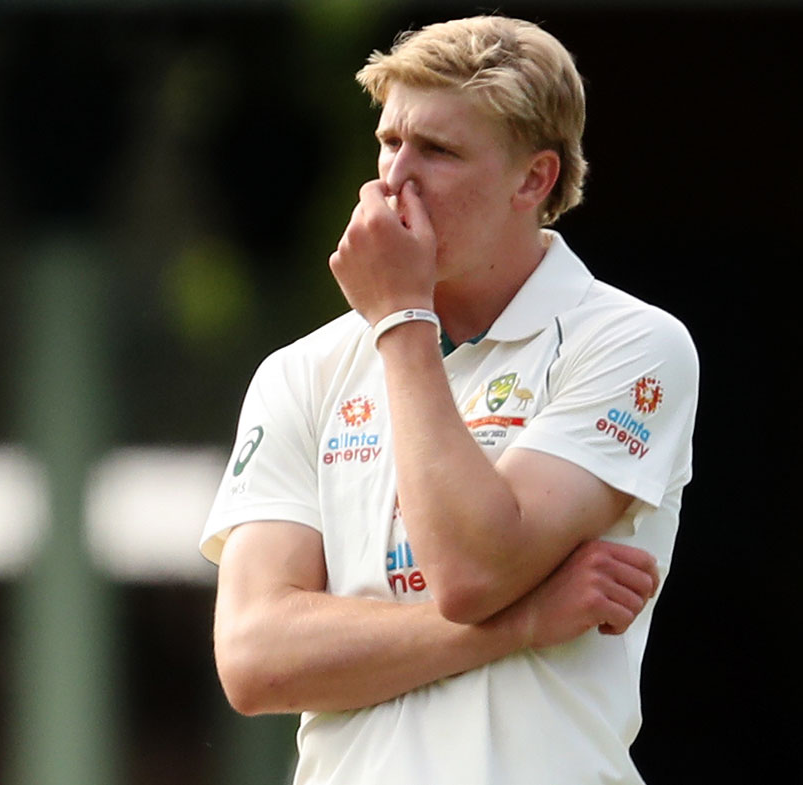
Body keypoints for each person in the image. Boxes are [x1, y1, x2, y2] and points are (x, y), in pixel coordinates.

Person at [200, 15, 699, 785]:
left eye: (437, 151)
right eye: (389, 142)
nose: (395, 179)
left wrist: (402, 319)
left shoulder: (632, 345)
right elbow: (255, 657)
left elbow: (470, 570)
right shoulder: (302, 371)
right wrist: (523, 623)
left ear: (533, 179)